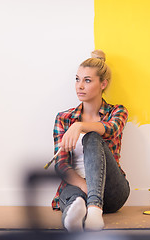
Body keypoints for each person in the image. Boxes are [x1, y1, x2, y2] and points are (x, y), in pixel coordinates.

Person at [51, 50, 130, 232]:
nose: (80, 86)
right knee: (74, 199)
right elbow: (61, 164)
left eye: (87, 80)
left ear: (103, 84)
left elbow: (110, 129)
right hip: (78, 185)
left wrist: (80, 127)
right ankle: (75, 212)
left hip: (112, 191)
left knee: (92, 137)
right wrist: (84, 187)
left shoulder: (117, 111)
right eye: (77, 79)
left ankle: (94, 210)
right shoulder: (64, 118)